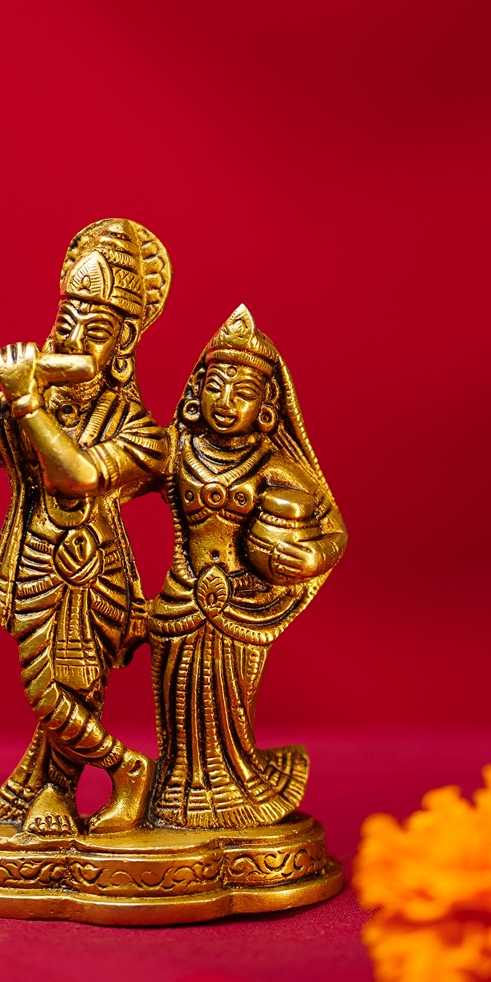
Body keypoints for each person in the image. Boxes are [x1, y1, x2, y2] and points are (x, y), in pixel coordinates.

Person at [0, 219, 170, 835]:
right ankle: (51, 792)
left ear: (122, 345)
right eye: (67, 322)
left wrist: (27, 400)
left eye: (95, 331)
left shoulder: (139, 431)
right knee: (51, 689)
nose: (73, 339)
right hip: (26, 561)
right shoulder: (11, 406)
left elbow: (79, 476)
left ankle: (122, 771)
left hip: (90, 574)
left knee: (61, 689)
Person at [148, 306, 346, 828]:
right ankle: (178, 789)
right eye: (216, 387)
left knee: (230, 700)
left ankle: (238, 785)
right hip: (182, 599)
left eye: (243, 392)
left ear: (266, 406)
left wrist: (314, 555)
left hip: (243, 603)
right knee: (177, 701)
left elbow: (335, 530)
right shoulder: (176, 450)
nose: (225, 402)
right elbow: (113, 474)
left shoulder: (275, 464)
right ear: (197, 391)